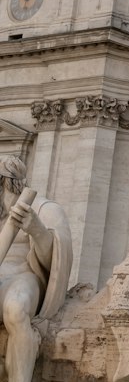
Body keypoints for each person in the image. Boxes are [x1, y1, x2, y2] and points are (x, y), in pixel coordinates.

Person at [0, 156, 72, 382]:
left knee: (15, 307)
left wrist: (37, 230)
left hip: (25, 275)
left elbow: (59, 260)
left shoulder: (44, 208)